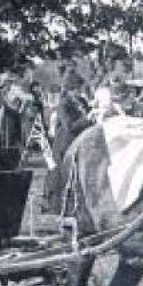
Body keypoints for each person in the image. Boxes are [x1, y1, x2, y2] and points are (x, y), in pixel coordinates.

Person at [44, 70, 92, 211]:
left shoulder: (82, 101)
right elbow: (69, 126)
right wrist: (87, 119)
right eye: (77, 89)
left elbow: (88, 115)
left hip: (80, 141)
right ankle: (56, 206)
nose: (79, 92)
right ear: (70, 90)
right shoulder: (63, 104)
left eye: (80, 89)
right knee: (61, 175)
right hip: (65, 143)